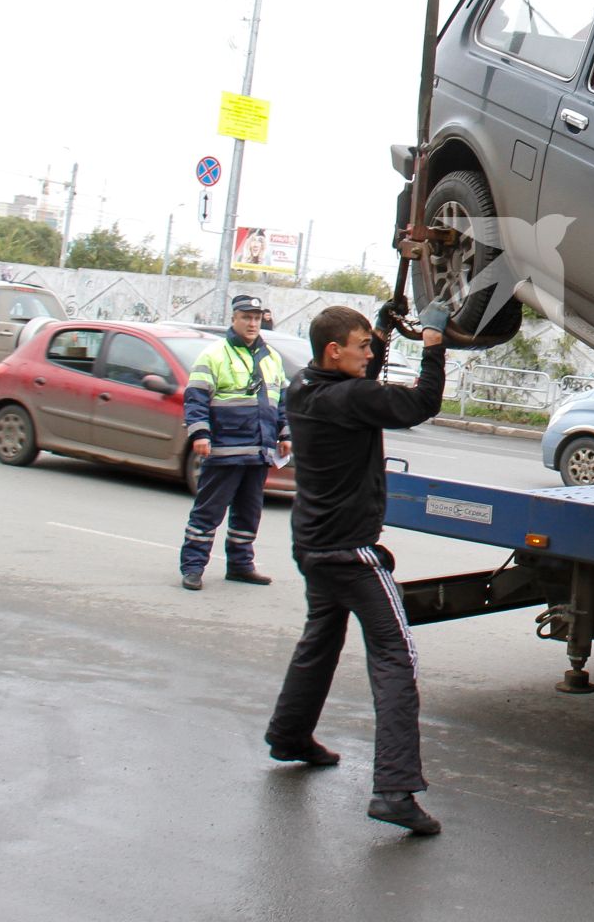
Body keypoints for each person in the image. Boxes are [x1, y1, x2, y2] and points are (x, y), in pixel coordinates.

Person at [264, 301, 450, 835]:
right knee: (397, 654)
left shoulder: (304, 386)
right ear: (334, 351)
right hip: (351, 553)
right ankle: (394, 788)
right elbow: (420, 403)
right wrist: (433, 342)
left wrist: (384, 331)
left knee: (320, 637)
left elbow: (362, 380)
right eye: (363, 346)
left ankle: (289, 736)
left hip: (313, 547)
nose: (370, 355)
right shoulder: (352, 397)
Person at [180, 294, 289, 590]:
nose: (252, 323)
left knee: (249, 512)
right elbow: (196, 399)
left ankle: (240, 565)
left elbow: (281, 401)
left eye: (256, 318)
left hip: (259, 449)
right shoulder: (214, 354)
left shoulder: (271, 357)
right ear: (234, 319)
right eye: (246, 317)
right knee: (209, 510)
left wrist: (285, 433)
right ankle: (192, 567)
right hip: (225, 448)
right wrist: (200, 434)